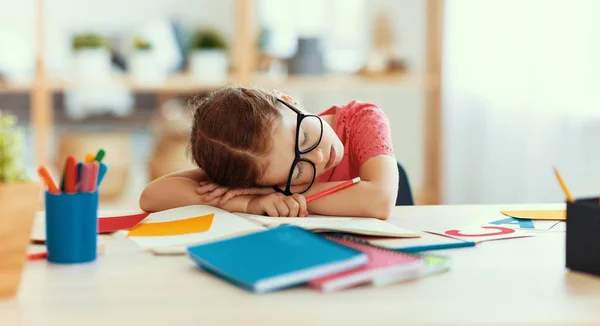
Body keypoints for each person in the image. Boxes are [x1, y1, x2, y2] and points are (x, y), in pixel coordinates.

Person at [139, 87, 399, 219]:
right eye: (297, 171)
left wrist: (282, 191)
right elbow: (152, 196)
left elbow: (380, 200)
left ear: (288, 100)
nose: (318, 157)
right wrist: (247, 202)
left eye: (304, 136)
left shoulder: (362, 119)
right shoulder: (255, 164)